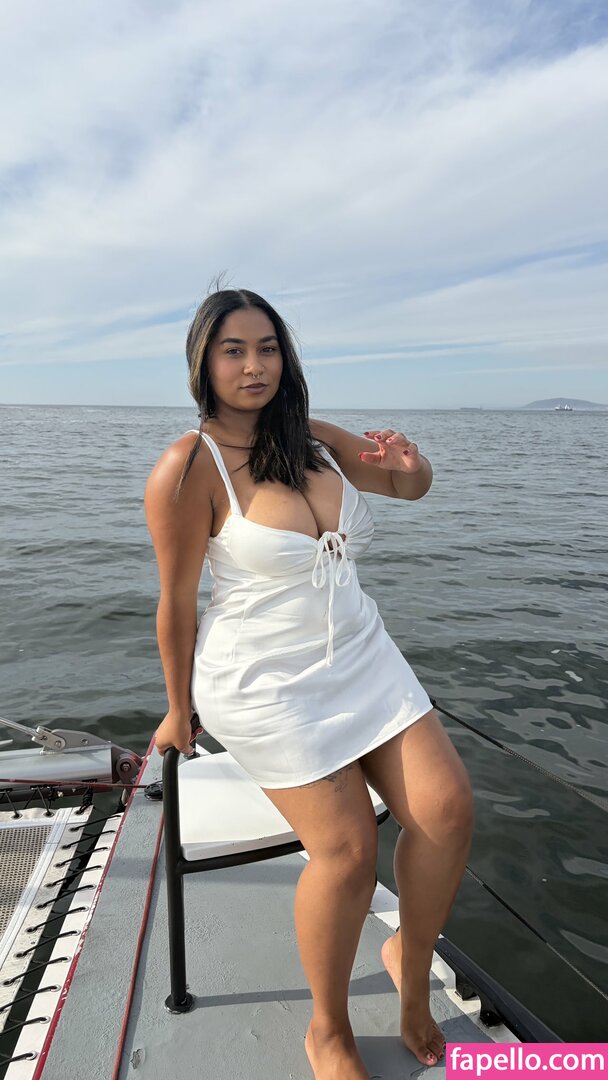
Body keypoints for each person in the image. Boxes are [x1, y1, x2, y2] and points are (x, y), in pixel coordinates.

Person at [145, 286, 474, 1080]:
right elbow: (176, 602)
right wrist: (177, 708)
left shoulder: (314, 439)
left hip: (359, 653)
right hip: (264, 680)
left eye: (267, 347)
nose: (253, 365)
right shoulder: (188, 468)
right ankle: (327, 1030)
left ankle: (409, 972)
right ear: (203, 363)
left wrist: (413, 465)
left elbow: (407, 488)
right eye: (233, 350)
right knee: (348, 850)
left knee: (447, 809)